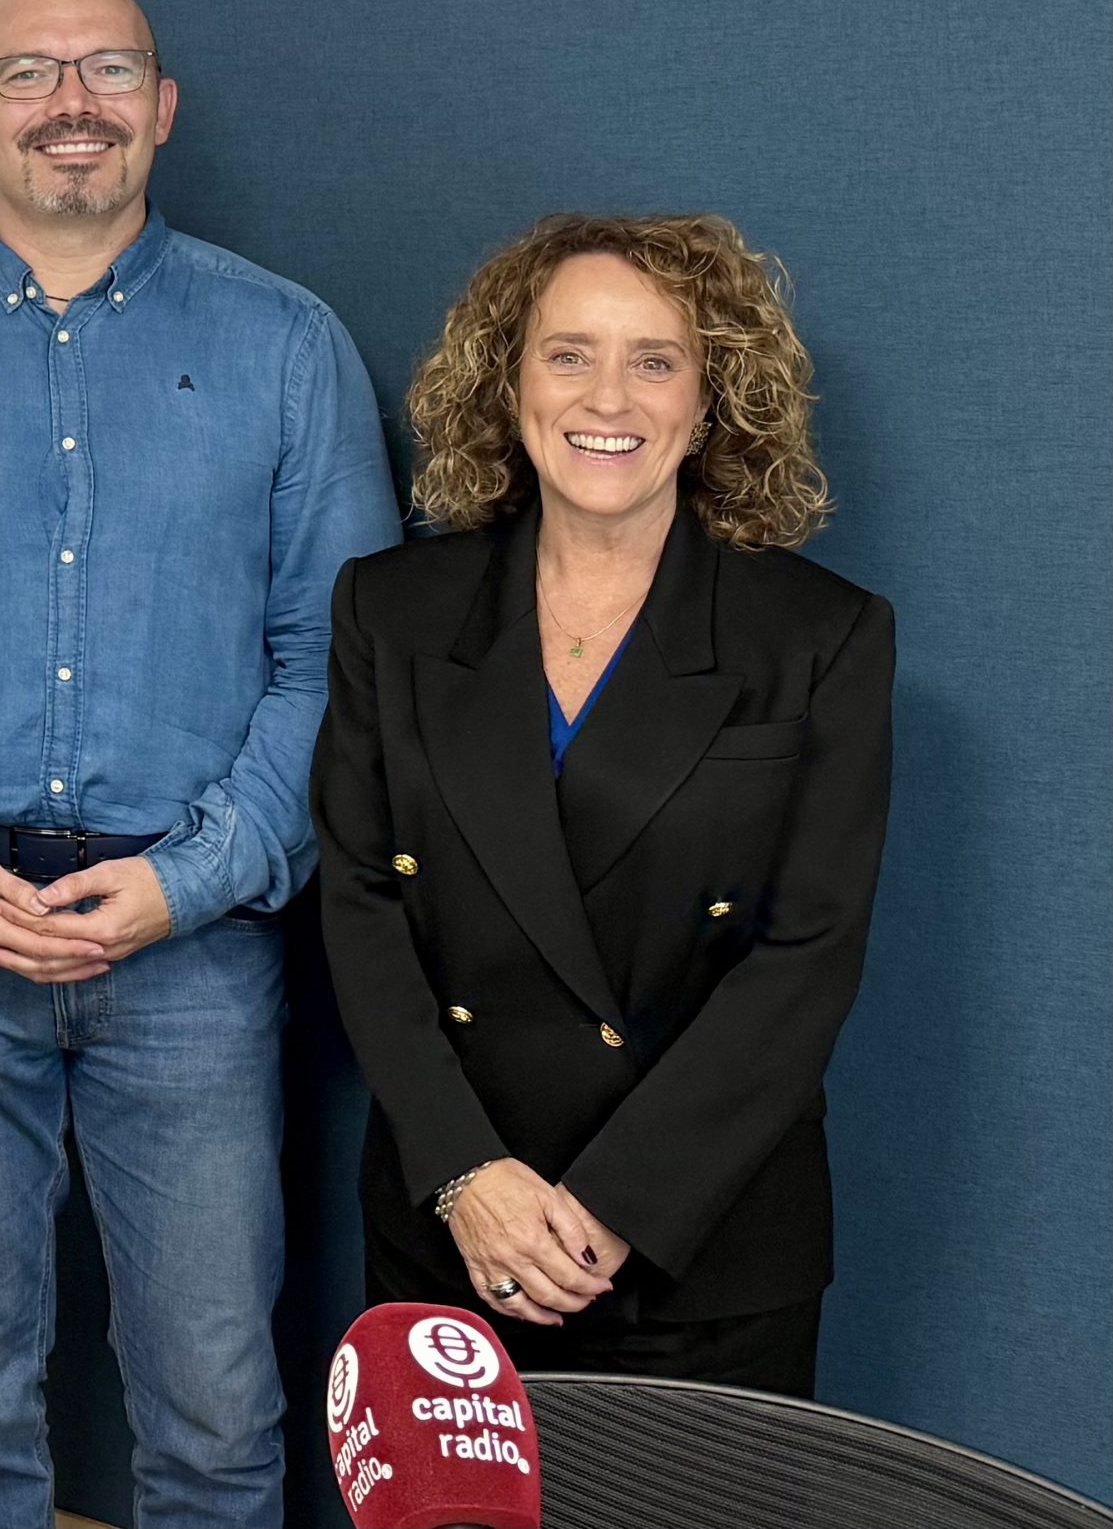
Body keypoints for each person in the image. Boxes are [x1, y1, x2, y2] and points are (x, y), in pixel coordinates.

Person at [0, 0, 400, 1528]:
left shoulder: (285, 345)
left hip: (193, 946)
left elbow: (338, 650)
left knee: (213, 1399)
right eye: (27, 72)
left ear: (160, 108)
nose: (70, 102)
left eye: (107, 68)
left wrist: (194, 876)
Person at [315, 212, 892, 1395]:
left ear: (711, 398)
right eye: (568, 353)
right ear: (509, 380)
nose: (607, 397)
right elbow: (361, 903)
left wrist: (618, 1203)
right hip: (454, 1234)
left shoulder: (822, 635)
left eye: (655, 360)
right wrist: (466, 1175)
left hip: (703, 1249)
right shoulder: (390, 609)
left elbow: (806, 955)